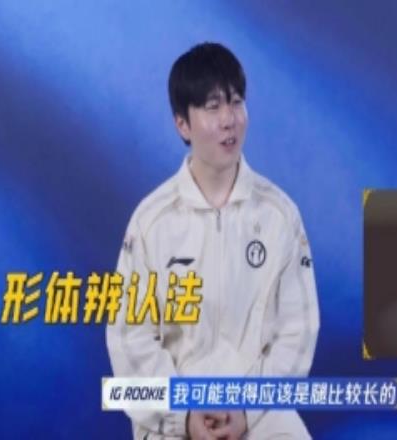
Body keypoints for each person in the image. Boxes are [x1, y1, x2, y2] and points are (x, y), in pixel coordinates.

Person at [106, 42, 320, 439]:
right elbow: (129, 336)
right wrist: (184, 415)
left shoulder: (279, 214)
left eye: (236, 102)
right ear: (182, 125)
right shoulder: (151, 222)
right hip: (175, 412)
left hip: (259, 411)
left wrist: (247, 409)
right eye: (212, 106)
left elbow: (298, 328)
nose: (229, 120)